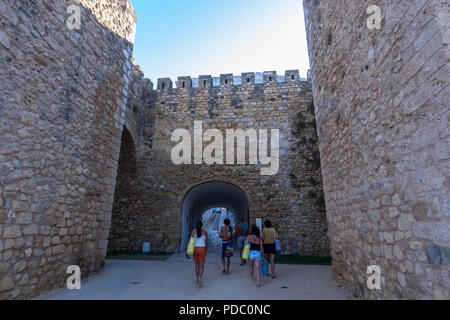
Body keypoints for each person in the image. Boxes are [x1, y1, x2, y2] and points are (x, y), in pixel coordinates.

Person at [186, 221, 208, 287]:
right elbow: (206, 243)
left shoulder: (193, 231)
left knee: (196, 265)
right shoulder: (204, 232)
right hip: (202, 249)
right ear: (202, 225)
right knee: (202, 265)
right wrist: (205, 250)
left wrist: (187, 251)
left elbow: (190, 241)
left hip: (195, 248)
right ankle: (200, 277)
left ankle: (197, 279)